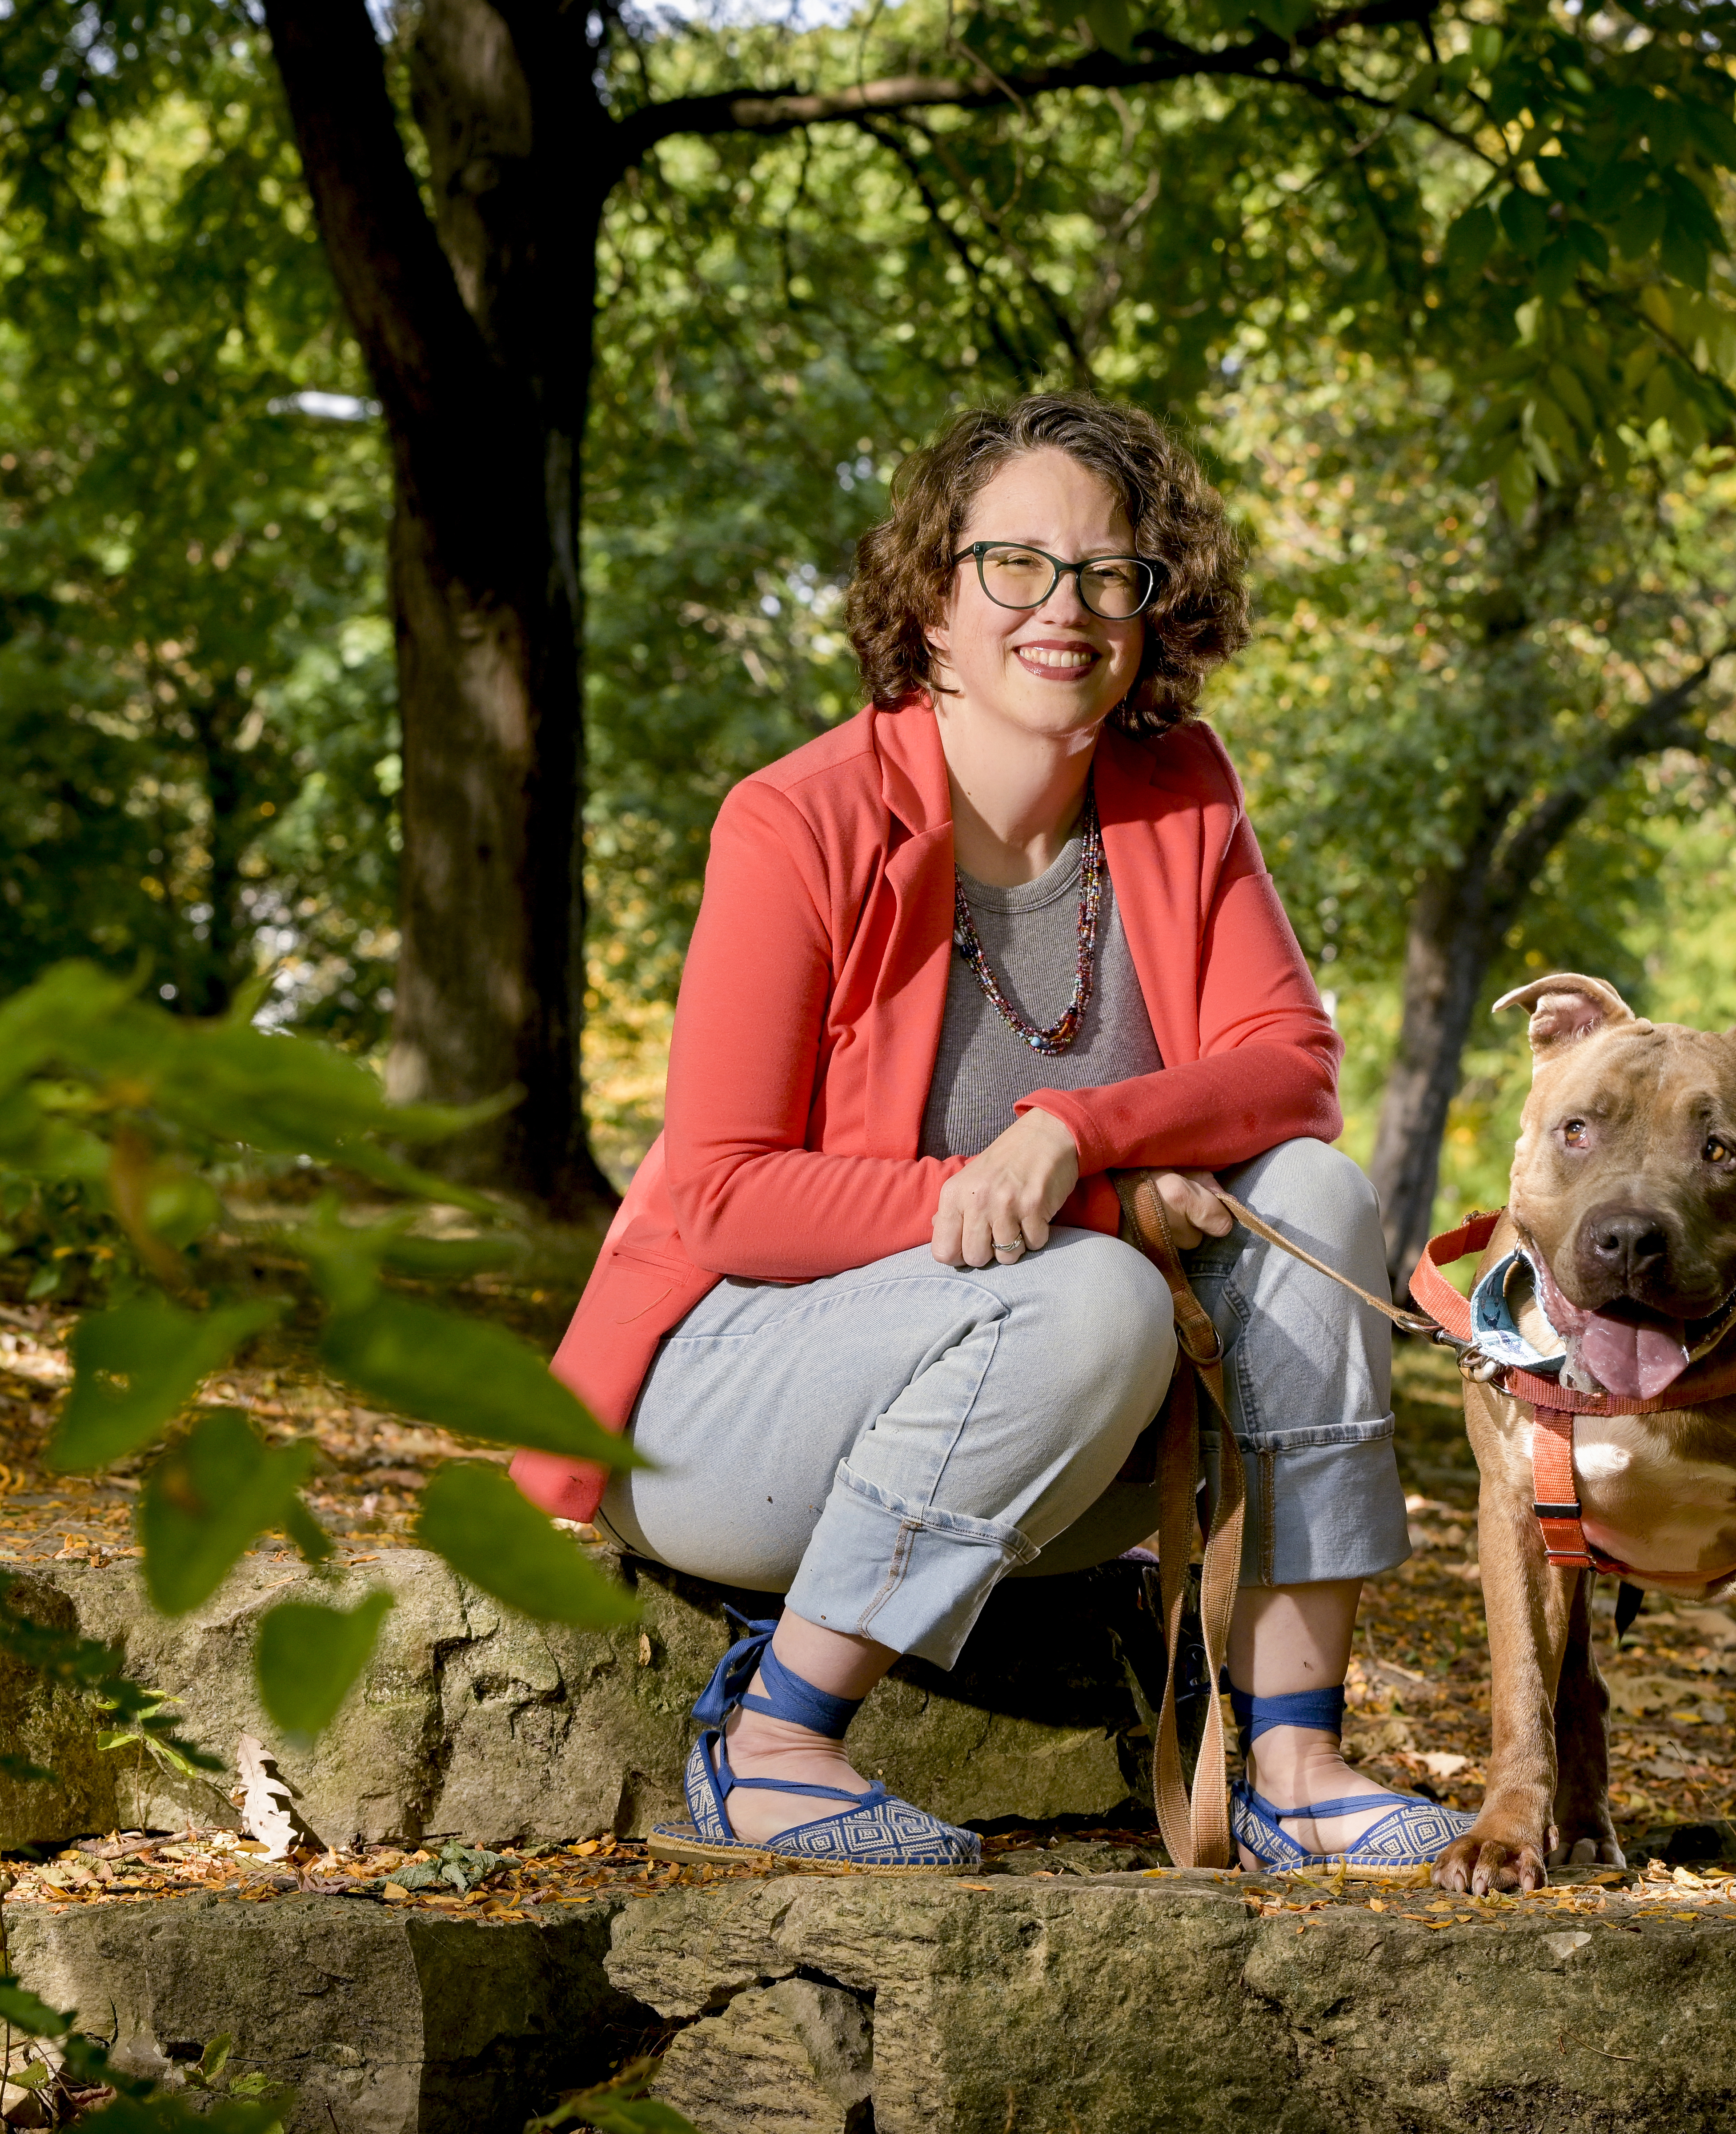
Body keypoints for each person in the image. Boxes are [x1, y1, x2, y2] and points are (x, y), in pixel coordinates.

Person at [516, 391, 1458, 1878]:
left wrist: (1077, 1132)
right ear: (932, 603)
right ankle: (772, 1745)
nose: (1064, 608)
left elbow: (1292, 1068)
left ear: (1157, 610)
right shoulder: (796, 821)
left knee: (1321, 1195)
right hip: (731, 1399)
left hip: (1050, 1434)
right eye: (1013, 565)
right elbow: (720, 1199)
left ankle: (1290, 1759)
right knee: (1096, 1286)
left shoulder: (1178, 791)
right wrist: (1091, 1208)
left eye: (1109, 574)